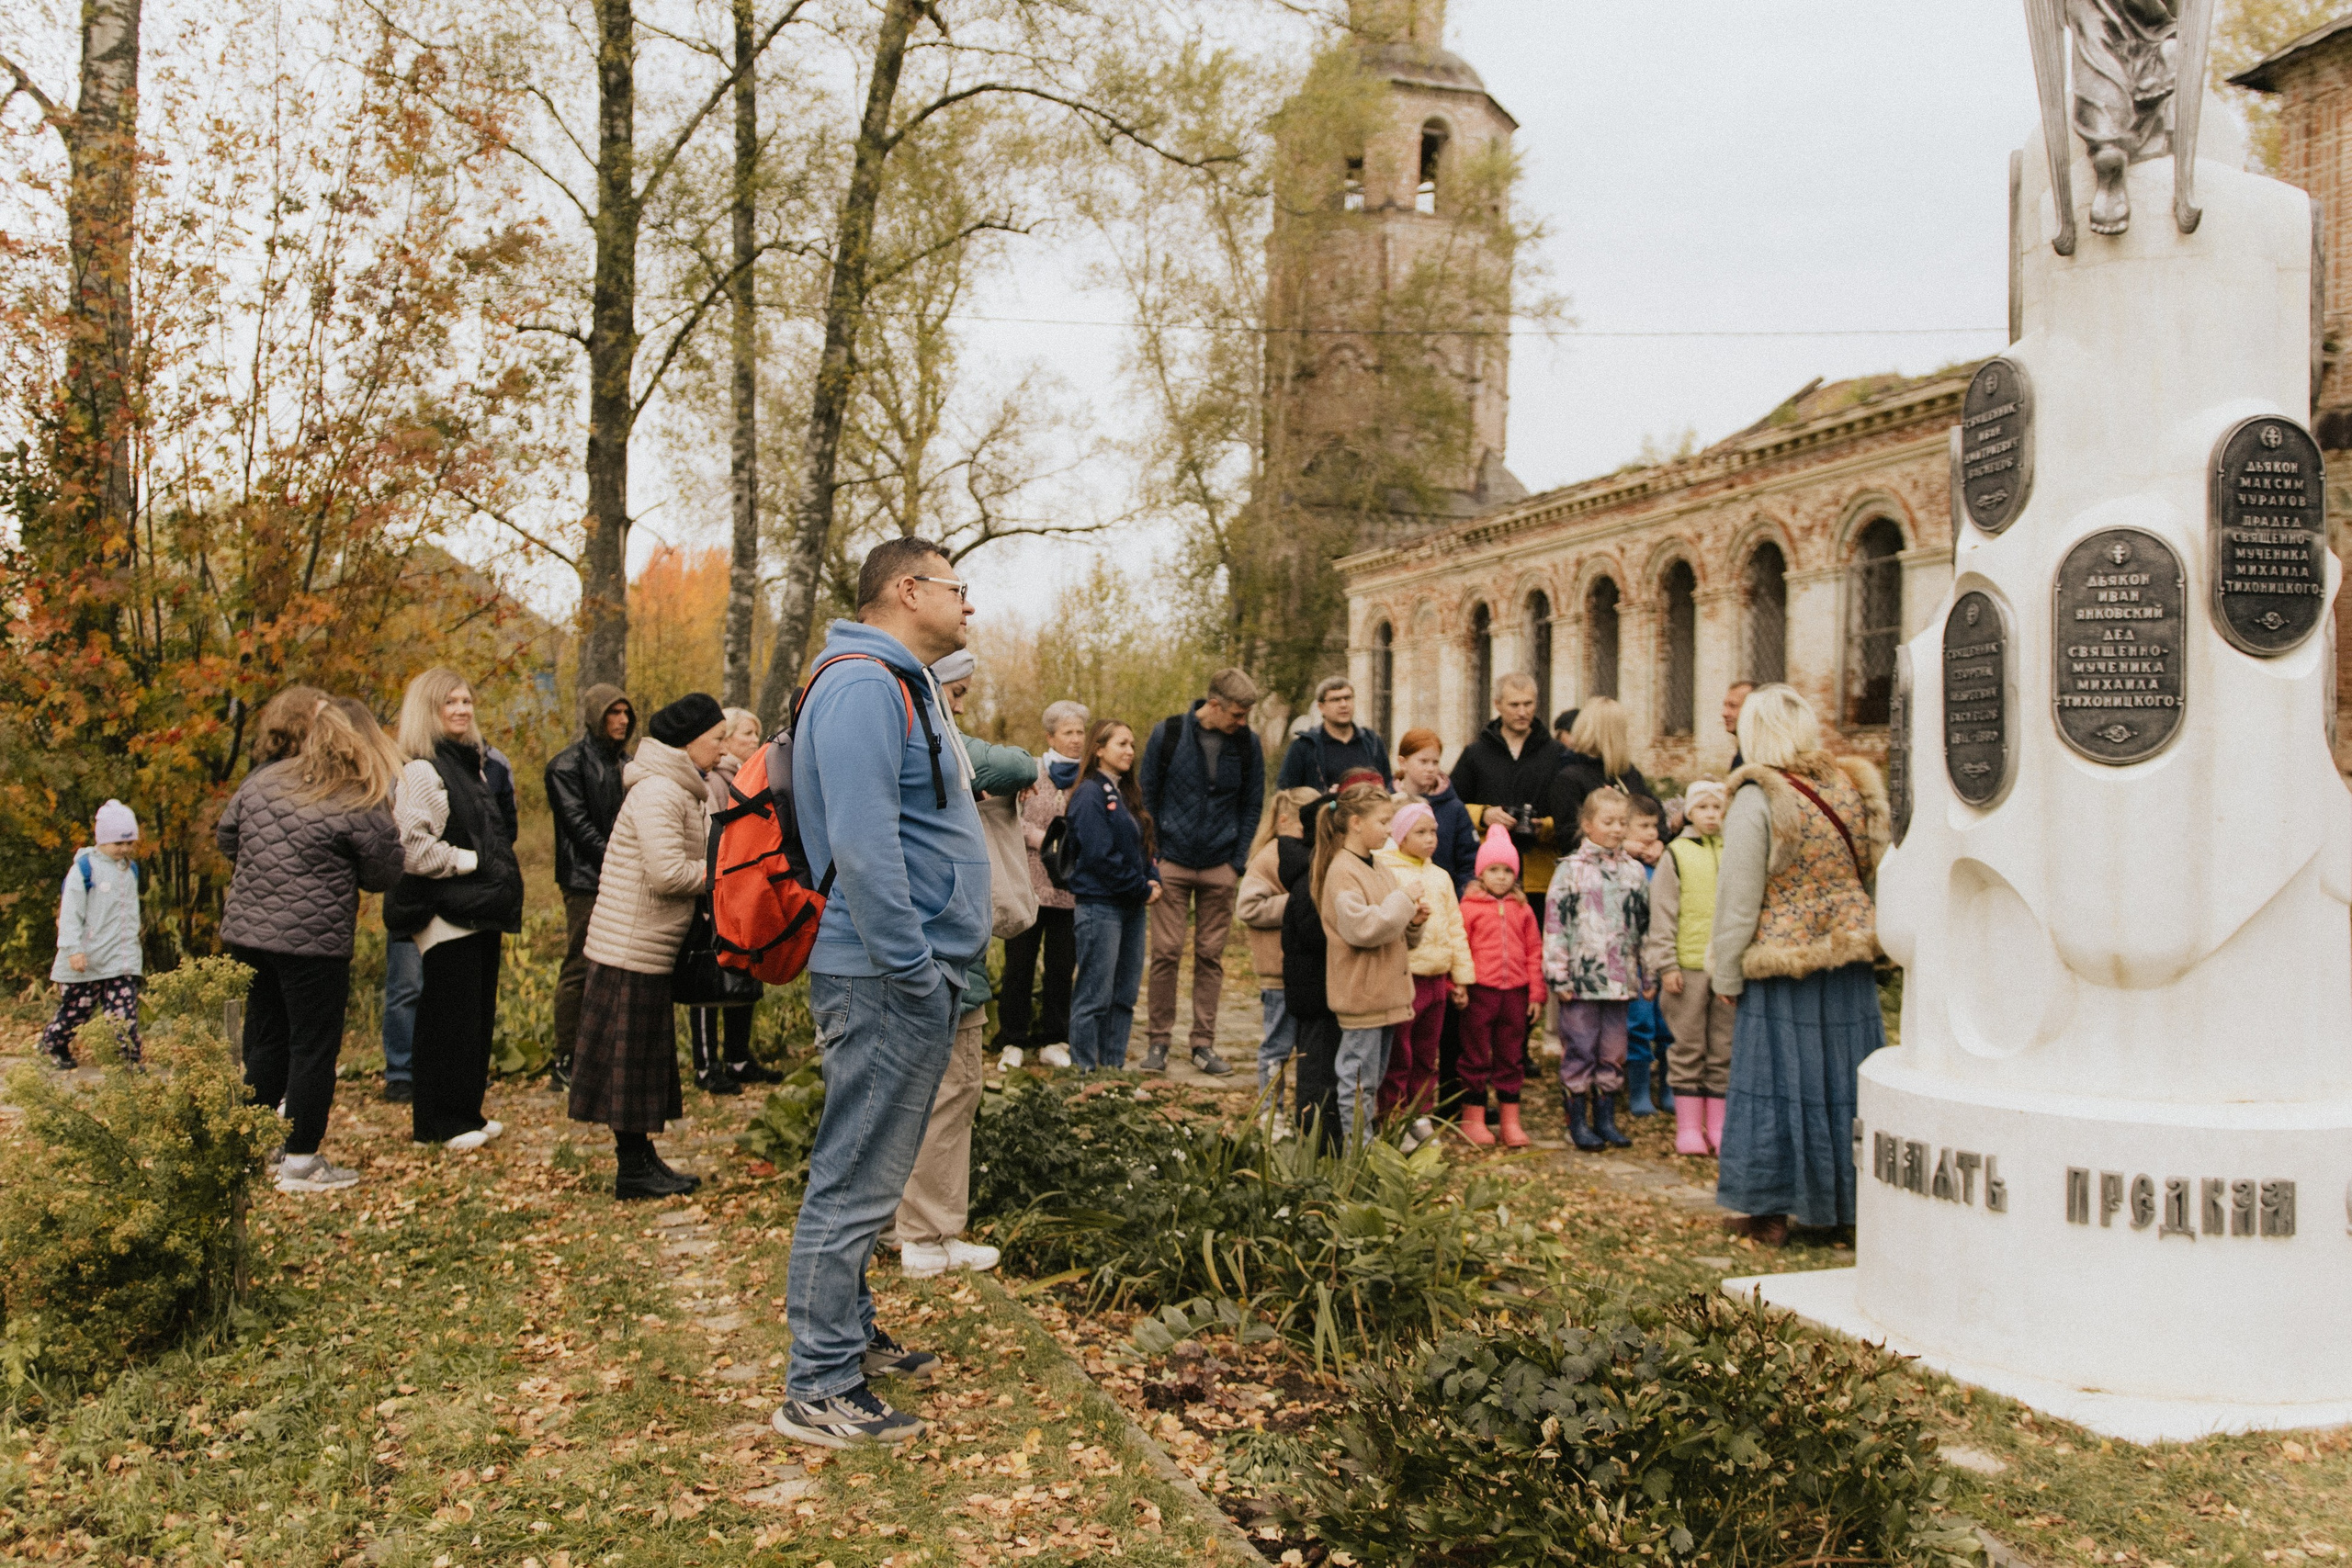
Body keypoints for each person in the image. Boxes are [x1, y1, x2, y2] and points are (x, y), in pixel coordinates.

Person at [776, 536, 979, 1449]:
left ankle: (846, 1336)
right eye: (956, 587)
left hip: (900, 971)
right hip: (881, 974)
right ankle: (815, 1386)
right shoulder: (863, 686)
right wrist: (913, 969)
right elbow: (862, 849)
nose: (967, 604)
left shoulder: (897, 681)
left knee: (865, 1167)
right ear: (907, 589)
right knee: (855, 1176)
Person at [1710, 684, 1889, 1247]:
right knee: (1846, 1082)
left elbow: (1739, 898)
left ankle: (1771, 1206)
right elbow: (1873, 868)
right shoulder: (1851, 787)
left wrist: (1726, 972)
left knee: (1778, 1083)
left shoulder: (1759, 796)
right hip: (1848, 953)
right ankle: (1847, 1209)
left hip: (1782, 961)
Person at [218, 694, 405, 1193]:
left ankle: (248, 1144)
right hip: (312, 942)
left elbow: (227, 836)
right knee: (312, 1047)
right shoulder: (355, 794)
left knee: (268, 1039)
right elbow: (385, 871)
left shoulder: (261, 780)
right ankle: (300, 1159)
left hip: (249, 934)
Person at [897, 649, 1034, 1276]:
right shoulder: (929, 730)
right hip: (941, 946)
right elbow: (1002, 761)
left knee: (924, 1091)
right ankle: (927, 1233)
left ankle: (910, 1224)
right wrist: (1021, 766)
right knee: (951, 1090)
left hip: (936, 943)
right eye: (957, 693)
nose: (962, 707)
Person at [569, 693, 727, 1200]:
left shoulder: (679, 789)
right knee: (629, 1064)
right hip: (630, 946)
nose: (723, 750)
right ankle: (632, 1169)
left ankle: (638, 1161)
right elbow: (665, 874)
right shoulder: (660, 792)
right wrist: (722, 877)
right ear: (689, 741)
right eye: (717, 738)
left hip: (646, 945)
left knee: (638, 1063)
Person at [385, 667, 525, 1152]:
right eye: (451, 703)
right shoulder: (424, 770)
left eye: (467, 701)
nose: (463, 710)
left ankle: (466, 1112)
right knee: (449, 1019)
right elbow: (410, 846)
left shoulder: (471, 765)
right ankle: (437, 1124)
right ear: (429, 710)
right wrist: (465, 862)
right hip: (446, 910)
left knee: (476, 1016)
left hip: (477, 907)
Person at [1139, 668, 1263, 1077]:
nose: (1242, 722)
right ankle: (1158, 1042)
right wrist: (1153, 857)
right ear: (1214, 705)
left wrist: (1237, 863)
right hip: (1171, 862)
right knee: (1166, 953)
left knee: (1210, 957)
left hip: (1220, 868)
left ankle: (1202, 1045)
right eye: (1238, 714)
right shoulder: (1169, 733)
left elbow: (1252, 806)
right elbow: (1147, 797)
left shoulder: (1248, 745)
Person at [1317, 784, 1426, 1144]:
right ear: (1356, 823)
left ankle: (1367, 1150)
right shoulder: (1342, 871)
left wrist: (1413, 920)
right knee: (1357, 1083)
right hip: (1362, 998)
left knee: (1371, 1083)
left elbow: (1397, 935)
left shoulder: (1379, 867)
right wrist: (1402, 902)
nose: (1391, 830)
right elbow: (1362, 929)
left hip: (1386, 998)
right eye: (1384, 821)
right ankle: (1356, 1157)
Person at [1544, 786, 1647, 1153]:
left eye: (1623, 822)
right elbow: (1556, 925)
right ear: (1587, 825)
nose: (1618, 828)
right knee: (1581, 1046)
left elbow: (1643, 926)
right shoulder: (1571, 871)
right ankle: (1577, 1120)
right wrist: (1558, 974)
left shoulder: (1634, 872)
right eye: (1609, 822)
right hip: (1582, 981)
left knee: (1613, 1049)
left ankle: (1606, 1116)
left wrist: (1646, 971)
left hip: (1620, 979)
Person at [545, 683, 637, 1089]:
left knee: (619, 966)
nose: (620, 721)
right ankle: (565, 1056)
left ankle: (604, 1054)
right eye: (612, 713)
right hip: (585, 879)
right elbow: (577, 826)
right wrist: (619, 859)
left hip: (623, 875)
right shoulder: (566, 766)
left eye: (625, 713)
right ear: (595, 717)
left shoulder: (629, 763)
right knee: (580, 966)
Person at [687, 705, 779, 1096]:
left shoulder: (750, 775)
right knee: (711, 975)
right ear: (725, 741)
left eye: (757, 735)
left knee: (745, 970)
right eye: (746, 734)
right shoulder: (714, 780)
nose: (754, 742)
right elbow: (713, 835)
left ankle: (738, 1056)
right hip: (716, 888)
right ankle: (707, 1064)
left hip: (744, 886)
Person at [1064, 718, 1162, 1070]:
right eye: (1122, 744)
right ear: (1099, 749)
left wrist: (1153, 876)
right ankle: (1086, 1073)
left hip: (1132, 907)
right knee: (1095, 995)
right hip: (1100, 907)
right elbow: (1099, 855)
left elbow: (1144, 845)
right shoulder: (1089, 793)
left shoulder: (1126, 792)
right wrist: (1140, 887)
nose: (1130, 751)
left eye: (1132, 745)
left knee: (1124, 996)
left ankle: (1113, 1070)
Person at [1374, 801, 1472, 1145]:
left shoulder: (1440, 875)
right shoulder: (1387, 872)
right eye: (1421, 832)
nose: (1431, 838)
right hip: (1405, 977)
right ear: (1400, 836)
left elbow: (1455, 928)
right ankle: (1393, 1115)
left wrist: (1460, 976)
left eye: (1433, 831)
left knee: (1426, 1052)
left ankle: (1421, 1112)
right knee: (1399, 1052)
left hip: (1436, 979)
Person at [998, 699, 1088, 1070]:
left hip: (1069, 890)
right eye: (1068, 732)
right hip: (1029, 886)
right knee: (1019, 965)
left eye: (1081, 732)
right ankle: (1013, 1040)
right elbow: (1007, 819)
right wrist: (1044, 838)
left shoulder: (1090, 777)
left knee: (1061, 967)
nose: (1077, 739)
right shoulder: (1028, 772)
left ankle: (1055, 1039)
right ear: (1050, 736)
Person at [1645, 780, 1731, 1156]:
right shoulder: (1676, 854)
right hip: (1688, 965)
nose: (1711, 815)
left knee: (1724, 1047)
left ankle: (1718, 1125)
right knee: (1688, 1044)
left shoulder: (1735, 851)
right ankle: (1688, 1127)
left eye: (1718, 808)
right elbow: (1662, 914)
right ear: (1690, 813)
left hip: (1726, 968)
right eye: (1704, 808)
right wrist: (1666, 964)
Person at [1450, 674, 1569, 927]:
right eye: (1514, 705)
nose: (1522, 712)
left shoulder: (1556, 754)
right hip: (1490, 875)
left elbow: (1571, 813)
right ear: (1498, 704)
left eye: (1529, 703)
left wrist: (1545, 826)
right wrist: (1484, 815)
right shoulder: (1476, 754)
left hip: (1541, 874)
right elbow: (1451, 805)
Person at [40, 800, 146, 1068]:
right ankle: (54, 1043)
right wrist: (72, 949)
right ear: (102, 841)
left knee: (124, 1013)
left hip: (121, 960)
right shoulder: (84, 871)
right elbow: (70, 914)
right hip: (86, 959)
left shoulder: (130, 870)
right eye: (117, 844)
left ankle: (129, 1058)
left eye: (129, 843)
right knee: (76, 1011)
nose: (124, 849)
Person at [1456, 822, 1544, 1147]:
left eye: (1508, 870)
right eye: (1494, 869)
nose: (1502, 877)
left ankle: (1510, 1120)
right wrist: (1460, 984)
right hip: (1481, 992)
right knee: (1475, 1054)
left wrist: (1536, 992)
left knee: (1511, 1055)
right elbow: (1459, 947)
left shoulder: (1523, 909)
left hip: (1515, 994)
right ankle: (1473, 1117)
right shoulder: (1469, 908)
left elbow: (1535, 950)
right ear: (1481, 873)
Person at [1238, 787, 1318, 1121]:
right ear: (1285, 820)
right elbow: (1248, 907)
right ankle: (1270, 1113)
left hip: (1304, 971)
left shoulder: (1307, 852)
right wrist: (1296, 904)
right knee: (1277, 1046)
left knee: (1305, 1048)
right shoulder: (1270, 856)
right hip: (1277, 972)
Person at [1621, 794, 1674, 1120]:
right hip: (1633, 958)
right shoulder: (1624, 864)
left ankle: (1669, 1087)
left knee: (1667, 1022)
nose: (1652, 833)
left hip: (1662, 951)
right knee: (1639, 1021)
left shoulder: (1664, 863)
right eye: (1644, 826)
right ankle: (1639, 1089)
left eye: (1655, 826)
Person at [1544, 698, 1649, 856]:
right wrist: (1620, 846)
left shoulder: (1627, 773)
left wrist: (1658, 842)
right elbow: (1569, 837)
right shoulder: (1570, 778)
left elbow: (1653, 811)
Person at [1393, 728, 1476, 895]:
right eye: (1423, 761)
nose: (1431, 768)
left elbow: (1469, 862)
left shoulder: (1455, 808)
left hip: (1445, 898)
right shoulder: (1387, 804)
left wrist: (1458, 897)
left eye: (1435, 762)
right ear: (1403, 762)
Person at [1276, 677, 1392, 792]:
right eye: (1335, 700)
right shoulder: (1305, 746)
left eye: (1347, 698)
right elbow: (1286, 794)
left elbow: (1387, 785)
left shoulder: (1372, 742)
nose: (1343, 704)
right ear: (1321, 707)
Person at [1723, 681, 1754, 771]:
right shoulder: (1744, 750)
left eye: (1733, 706)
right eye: (1725, 706)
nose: (1724, 713)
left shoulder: (1757, 755)